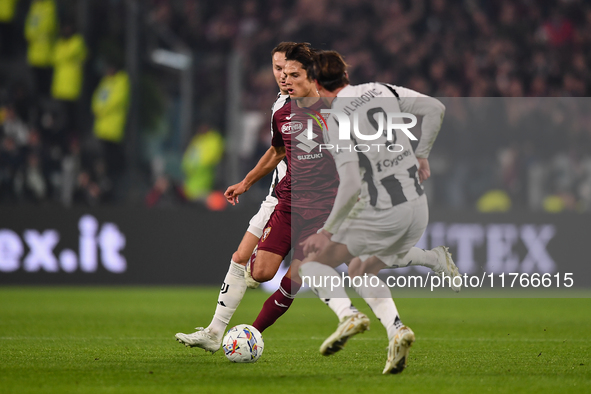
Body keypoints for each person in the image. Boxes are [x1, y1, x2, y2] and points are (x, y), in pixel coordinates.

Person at [295, 50, 457, 374]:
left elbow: (352, 184)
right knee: (360, 270)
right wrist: (422, 154)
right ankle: (398, 329)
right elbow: (436, 108)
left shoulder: (335, 119)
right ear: (345, 74)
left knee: (309, 266)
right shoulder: (382, 90)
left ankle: (348, 315)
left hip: (383, 210)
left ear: (315, 84)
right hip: (418, 207)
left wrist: (325, 231)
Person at [174, 42, 302, 352]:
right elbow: (276, 151)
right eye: (276, 68)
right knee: (240, 258)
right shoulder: (279, 106)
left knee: (270, 270)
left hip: (304, 198)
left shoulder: (312, 103)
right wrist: (245, 182)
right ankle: (215, 332)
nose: (282, 75)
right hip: (278, 194)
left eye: (287, 68)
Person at [24, 0, 58, 97]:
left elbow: (49, 26)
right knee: (35, 75)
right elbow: (29, 23)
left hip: (45, 48)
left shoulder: (49, 7)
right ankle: (38, 94)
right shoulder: (34, 7)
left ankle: (45, 94)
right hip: (34, 49)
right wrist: (29, 34)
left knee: (44, 75)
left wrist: (35, 34)